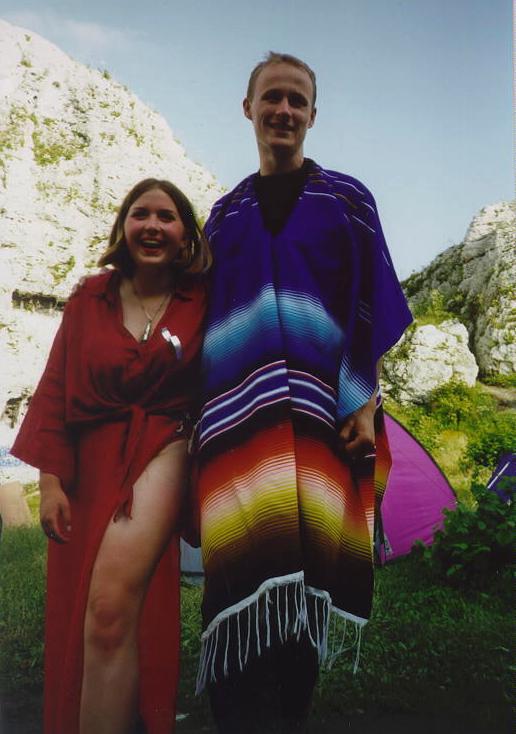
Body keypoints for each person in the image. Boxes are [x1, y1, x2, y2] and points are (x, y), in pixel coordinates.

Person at [194, 52, 413, 733]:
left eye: (296, 100)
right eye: (272, 97)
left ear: (313, 115)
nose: (283, 110)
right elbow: (202, 319)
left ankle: (289, 714)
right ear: (248, 108)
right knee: (236, 572)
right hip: (236, 424)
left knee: (307, 580)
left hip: (326, 418)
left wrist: (365, 399)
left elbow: (371, 308)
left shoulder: (347, 201)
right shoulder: (223, 216)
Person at [11, 178, 211, 734]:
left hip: (162, 447)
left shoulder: (203, 300)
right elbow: (55, 386)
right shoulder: (88, 298)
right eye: (141, 214)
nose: (153, 225)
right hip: (88, 465)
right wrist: (51, 482)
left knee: (105, 611)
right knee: (88, 618)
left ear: (186, 235)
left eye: (167, 216)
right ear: (123, 227)